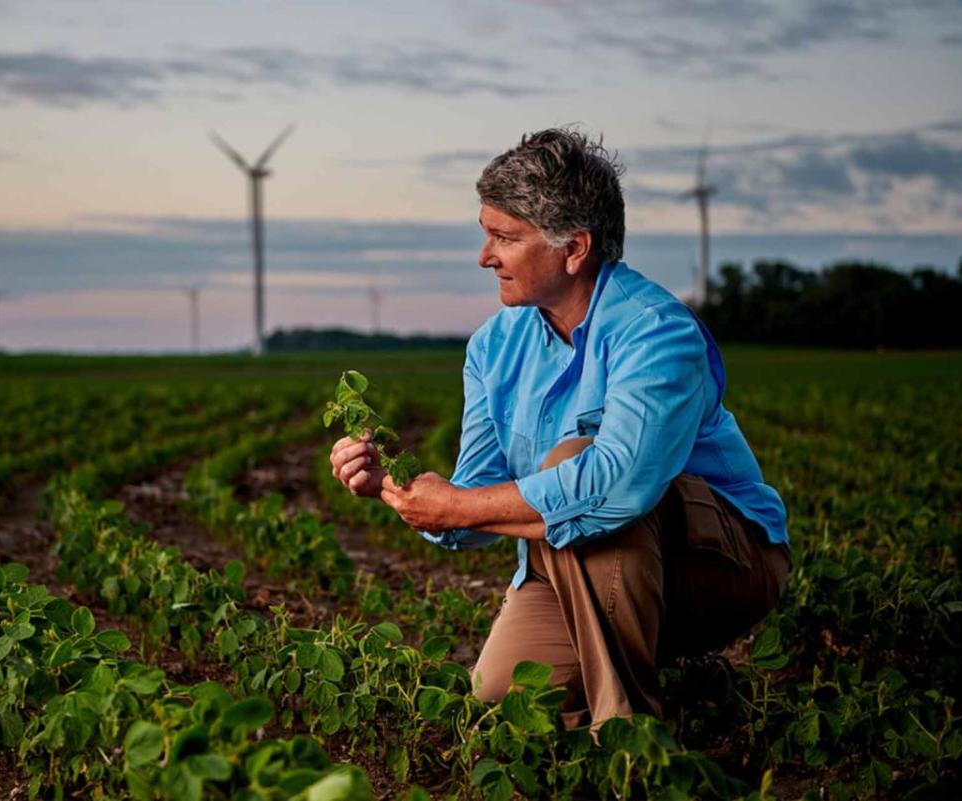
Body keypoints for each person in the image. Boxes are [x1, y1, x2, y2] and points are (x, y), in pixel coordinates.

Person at [328, 128, 790, 727]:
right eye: (485, 234)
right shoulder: (493, 347)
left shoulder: (655, 331)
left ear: (574, 248)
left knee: (573, 462)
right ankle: (684, 688)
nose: (485, 256)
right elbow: (472, 505)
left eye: (504, 238)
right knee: (503, 694)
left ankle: (629, 739)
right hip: (586, 560)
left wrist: (459, 508)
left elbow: (615, 486)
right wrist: (397, 488)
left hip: (722, 559)